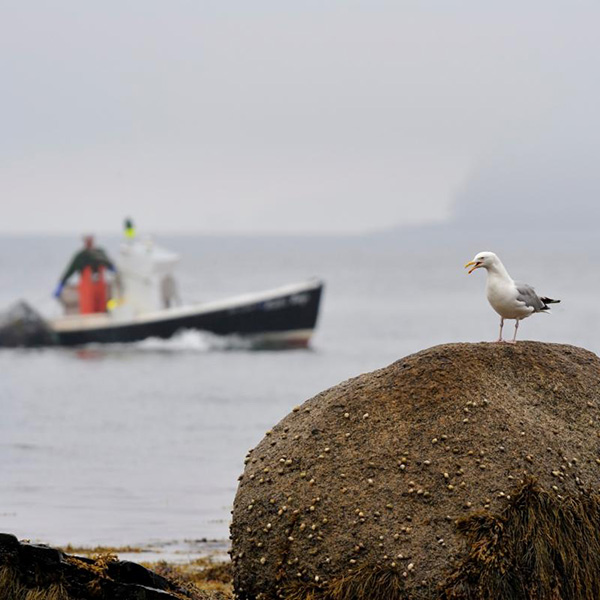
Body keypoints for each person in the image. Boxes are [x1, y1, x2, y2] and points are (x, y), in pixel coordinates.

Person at [54, 235, 115, 314]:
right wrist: (61, 284)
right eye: (87, 239)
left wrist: (114, 269)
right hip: (87, 289)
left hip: (100, 288)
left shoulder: (100, 252)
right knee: (88, 308)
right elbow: (69, 271)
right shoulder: (80, 256)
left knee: (102, 309)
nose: (89, 241)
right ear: (84, 241)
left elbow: (110, 265)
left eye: (90, 239)